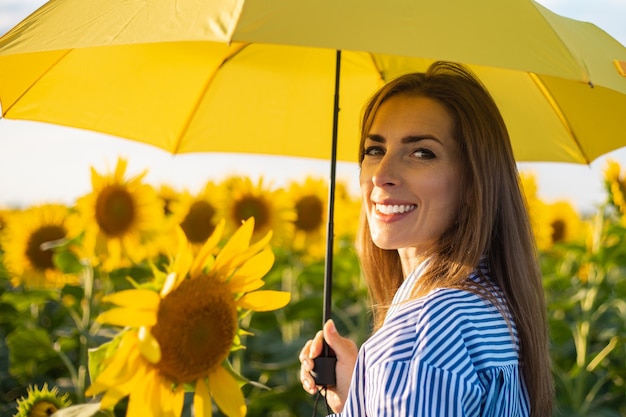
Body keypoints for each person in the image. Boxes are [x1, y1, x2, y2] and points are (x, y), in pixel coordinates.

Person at [299, 61, 554, 416]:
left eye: (421, 153)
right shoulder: (487, 307)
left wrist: (392, 368)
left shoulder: (425, 330)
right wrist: (358, 392)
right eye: (374, 150)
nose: (382, 175)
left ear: (472, 185)